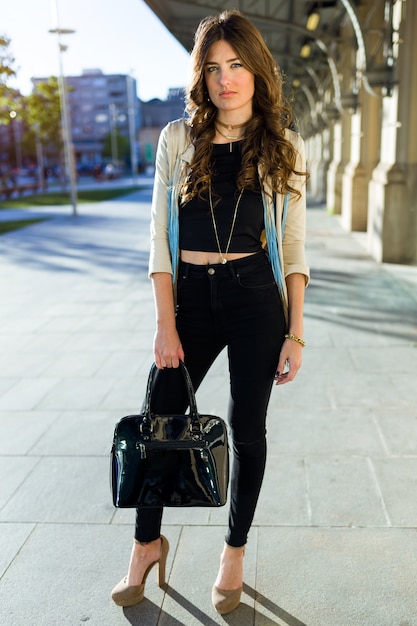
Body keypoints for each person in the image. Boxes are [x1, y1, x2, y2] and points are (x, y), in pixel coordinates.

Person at [111, 8, 309, 615]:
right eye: (215, 68)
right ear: (201, 76)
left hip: (255, 298)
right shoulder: (179, 138)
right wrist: (165, 322)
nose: (227, 79)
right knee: (161, 418)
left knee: (248, 429)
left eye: (238, 65)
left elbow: (294, 244)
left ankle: (234, 551)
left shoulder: (283, 146)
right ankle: (147, 543)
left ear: (257, 70)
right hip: (190, 298)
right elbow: (157, 238)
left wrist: (295, 333)